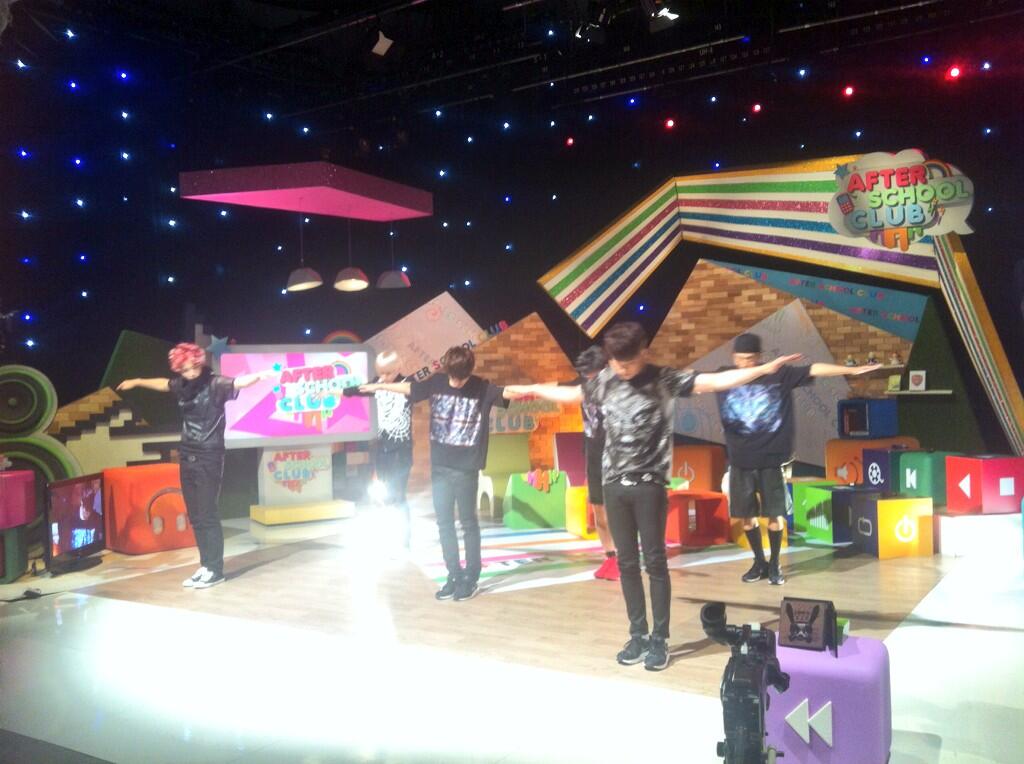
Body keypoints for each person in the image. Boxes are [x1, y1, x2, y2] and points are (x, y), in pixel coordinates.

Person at [521, 322, 801, 671]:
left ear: (644, 353)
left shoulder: (663, 379)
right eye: (616, 362)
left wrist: (765, 369)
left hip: (650, 486)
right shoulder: (605, 380)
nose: (622, 369)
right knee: (626, 563)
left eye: (628, 362)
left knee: (654, 562)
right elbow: (572, 394)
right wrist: (530, 389)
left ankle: (659, 639)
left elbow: (714, 381)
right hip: (614, 485)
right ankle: (637, 634)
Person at [717, 333, 880, 586]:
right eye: (740, 358)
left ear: (759, 357)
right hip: (740, 460)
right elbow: (697, 381)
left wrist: (852, 370)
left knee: (775, 514)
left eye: (750, 358)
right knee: (746, 517)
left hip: (771, 460)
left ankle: (774, 564)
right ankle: (759, 562)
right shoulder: (724, 376)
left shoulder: (778, 375)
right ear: (733, 357)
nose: (745, 363)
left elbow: (814, 369)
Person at [358, 345, 517, 602]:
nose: (455, 382)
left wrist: (542, 388)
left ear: (468, 371)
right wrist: (378, 386)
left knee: (468, 523)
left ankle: (471, 578)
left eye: (460, 378)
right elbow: (407, 388)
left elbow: (510, 392)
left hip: (466, 470)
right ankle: (453, 575)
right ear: (446, 370)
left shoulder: (482, 387)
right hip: (440, 468)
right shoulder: (437, 382)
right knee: (444, 523)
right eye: (452, 376)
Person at [117, 343, 275, 589]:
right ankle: (206, 565)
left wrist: (258, 376)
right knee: (196, 515)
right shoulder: (182, 385)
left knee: (207, 513)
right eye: (185, 369)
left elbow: (238, 383)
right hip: (187, 452)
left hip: (209, 455)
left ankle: (215, 570)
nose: (190, 373)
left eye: (194, 367)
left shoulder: (215, 384)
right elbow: (163, 384)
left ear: (200, 363)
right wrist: (137, 381)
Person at [345, 351, 414, 548]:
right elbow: (357, 390)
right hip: (382, 449)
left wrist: (380, 385)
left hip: (401, 450)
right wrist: (333, 393)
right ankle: (389, 535)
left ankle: (404, 541)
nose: (384, 377)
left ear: (398, 368)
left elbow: (408, 390)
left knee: (398, 495)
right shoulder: (377, 383)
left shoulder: (408, 383)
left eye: (388, 373)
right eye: (381, 373)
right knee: (384, 495)